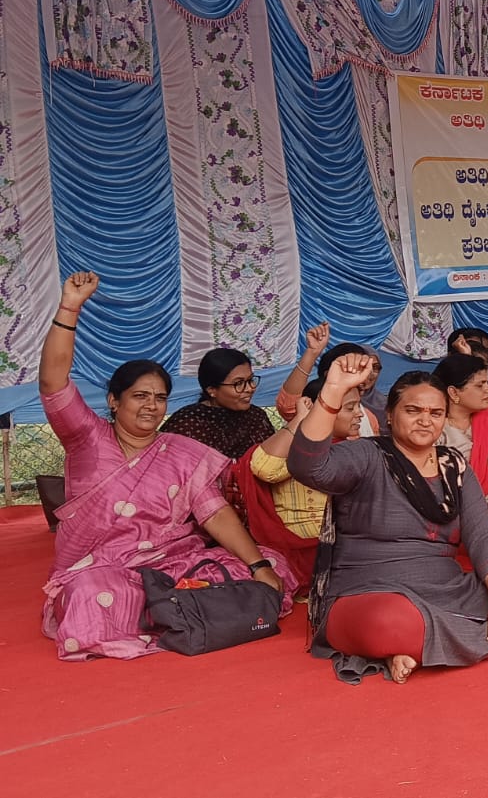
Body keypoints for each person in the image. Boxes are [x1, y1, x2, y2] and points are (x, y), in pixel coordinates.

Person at [38, 272, 292, 661]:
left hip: (171, 562)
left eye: (159, 398)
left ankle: (167, 611)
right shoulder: (86, 436)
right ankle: (184, 611)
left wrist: (257, 565)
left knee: (273, 565)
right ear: (113, 401)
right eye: (139, 396)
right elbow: (54, 383)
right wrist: (70, 306)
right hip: (103, 567)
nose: (151, 406)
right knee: (89, 594)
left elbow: (215, 514)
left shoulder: (180, 450)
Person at [289, 358, 488, 684]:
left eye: (435, 414)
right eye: (413, 411)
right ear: (390, 415)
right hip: (369, 593)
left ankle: (418, 649)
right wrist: (334, 389)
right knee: (389, 623)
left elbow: (483, 537)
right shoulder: (366, 455)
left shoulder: (453, 465)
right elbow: (308, 467)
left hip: (445, 589)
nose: (425, 421)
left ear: (445, 419)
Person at [241, 377, 363, 592]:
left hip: (344, 550)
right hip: (298, 554)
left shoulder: (354, 450)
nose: (359, 414)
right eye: (350, 407)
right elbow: (264, 468)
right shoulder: (298, 449)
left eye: (358, 406)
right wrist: (301, 420)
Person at [434, 353, 488, 552]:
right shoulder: (434, 429)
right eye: (480, 385)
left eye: (487, 383)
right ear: (453, 392)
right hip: (452, 513)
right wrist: (473, 512)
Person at [161, 346, 276, 461]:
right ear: (212, 390)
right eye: (239, 383)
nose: (250, 388)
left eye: (250, 380)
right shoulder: (187, 423)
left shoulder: (256, 417)